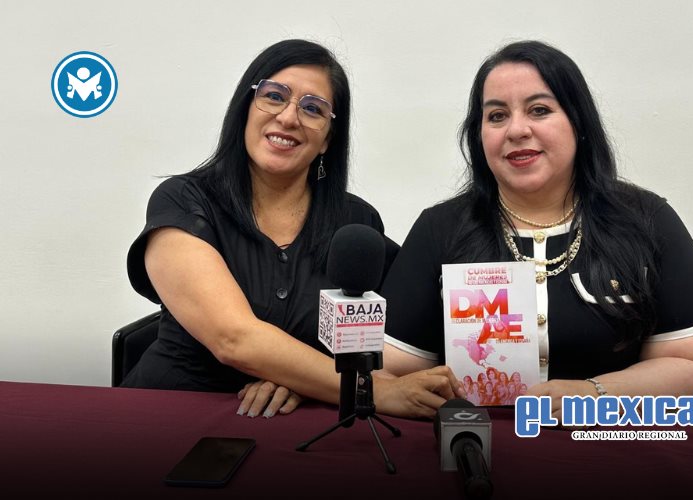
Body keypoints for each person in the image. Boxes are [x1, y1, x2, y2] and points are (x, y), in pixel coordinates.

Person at [379, 41, 693, 418]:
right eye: (497, 116)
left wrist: (596, 395)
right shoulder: (440, 229)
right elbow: (389, 371)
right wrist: (406, 388)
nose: (516, 130)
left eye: (539, 110)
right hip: (474, 443)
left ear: (579, 122)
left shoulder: (646, 219)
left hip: (607, 442)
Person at [123, 39, 461, 419]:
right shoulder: (184, 201)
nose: (288, 118)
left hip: (287, 427)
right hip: (163, 416)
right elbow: (233, 339)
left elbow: (376, 341)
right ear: (246, 107)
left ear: (327, 139)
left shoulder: (356, 224)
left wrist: (301, 381)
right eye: (274, 96)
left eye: (313, 108)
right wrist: (374, 392)